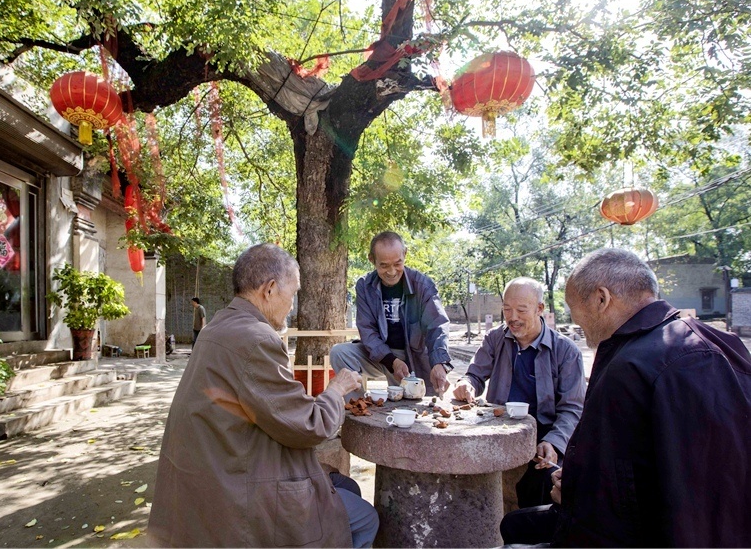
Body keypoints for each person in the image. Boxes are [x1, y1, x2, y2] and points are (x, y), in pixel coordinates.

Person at [147, 243, 379, 548]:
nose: (292, 306)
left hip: (213, 474)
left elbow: (266, 407)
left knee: (344, 485)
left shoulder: (219, 325)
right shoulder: (255, 339)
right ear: (269, 290)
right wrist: (336, 390)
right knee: (365, 518)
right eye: (293, 294)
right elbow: (309, 428)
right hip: (236, 492)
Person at [551, 247, 751, 547]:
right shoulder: (725, 343)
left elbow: (608, 513)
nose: (574, 319)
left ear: (601, 299)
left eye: (571, 307)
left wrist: (574, 492)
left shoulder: (629, 367)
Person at [452, 277, 585, 508]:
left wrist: (553, 443)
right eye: (507, 309)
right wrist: (468, 384)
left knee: (540, 486)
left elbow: (572, 409)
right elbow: (474, 375)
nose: (512, 317)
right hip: (499, 425)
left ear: (539, 309)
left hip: (545, 430)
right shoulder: (495, 338)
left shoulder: (566, 351)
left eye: (521, 310)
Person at [330, 231, 453, 399]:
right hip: (381, 355)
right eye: (384, 265)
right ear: (372, 260)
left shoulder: (422, 285)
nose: (392, 271)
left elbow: (437, 326)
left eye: (397, 263)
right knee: (339, 352)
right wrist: (392, 361)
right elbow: (367, 331)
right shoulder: (365, 286)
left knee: (418, 404)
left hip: (414, 355)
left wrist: (440, 363)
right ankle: (357, 407)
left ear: (405, 255)